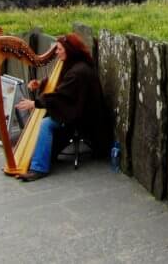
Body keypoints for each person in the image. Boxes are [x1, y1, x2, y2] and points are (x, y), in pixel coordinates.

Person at [15, 34, 105, 182]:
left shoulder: (79, 72)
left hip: (84, 116)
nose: (56, 52)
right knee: (45, 118)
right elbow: (61, 85)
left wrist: (34, 103)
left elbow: (61, 95)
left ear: (69, 50)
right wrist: (41, 83)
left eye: (59, 49)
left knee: (45, 124)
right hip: (74, 108)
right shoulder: (73, 64)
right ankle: (46, 154)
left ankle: (39, 168)